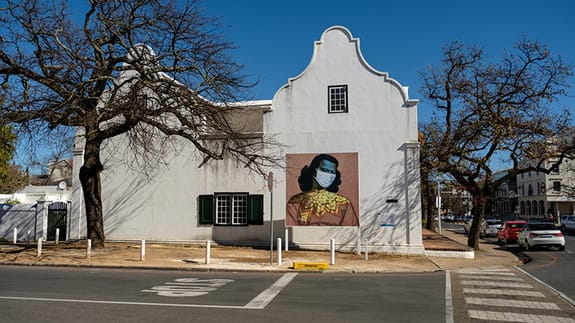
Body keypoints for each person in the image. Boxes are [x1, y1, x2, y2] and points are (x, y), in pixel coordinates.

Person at [286, 154, 358, 226]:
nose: (329, 175)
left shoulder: (344, 203)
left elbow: (351, 230)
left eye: (332, 172)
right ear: (314, 171)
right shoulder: (295, 202)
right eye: (325, 170)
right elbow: (290, 229)